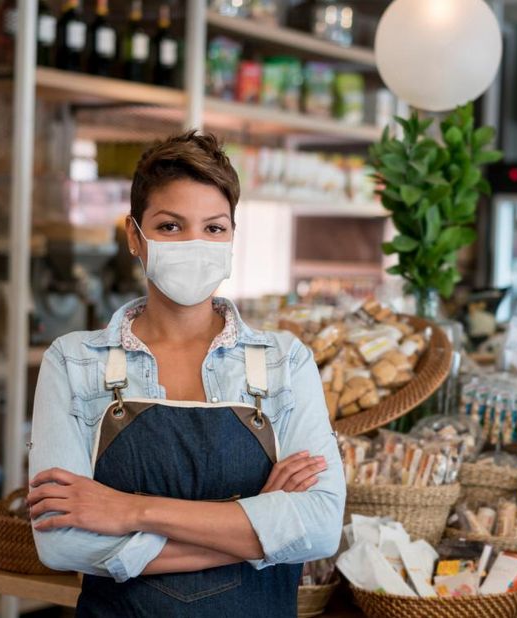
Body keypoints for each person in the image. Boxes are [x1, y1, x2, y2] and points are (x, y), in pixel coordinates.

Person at [26, 131, 345, 617]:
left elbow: (319, 527)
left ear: (232, 237)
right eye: (171, 227)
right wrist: (259, 531)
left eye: (214, 228)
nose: (195, 243)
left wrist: (130, 510)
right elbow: (61, 541)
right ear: (135, 237)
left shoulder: (283, 361)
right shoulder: (74, 362)